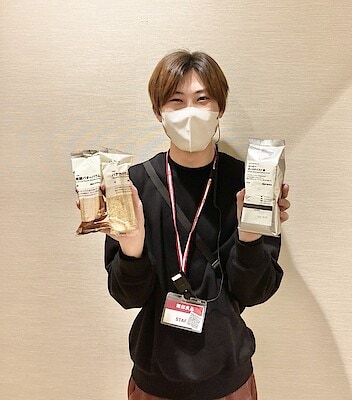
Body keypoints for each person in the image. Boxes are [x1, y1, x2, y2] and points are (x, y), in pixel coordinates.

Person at [104, 50, 290, 400]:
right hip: (154, 381)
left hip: (228, 381)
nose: (190, 112)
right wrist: (131, 249)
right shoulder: (134, 185)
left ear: (220, 107)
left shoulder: (249, 182)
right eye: (176, 101)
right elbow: (127, 297)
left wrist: (250, 238)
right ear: (158, 112)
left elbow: (254, 293)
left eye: (202, 99)